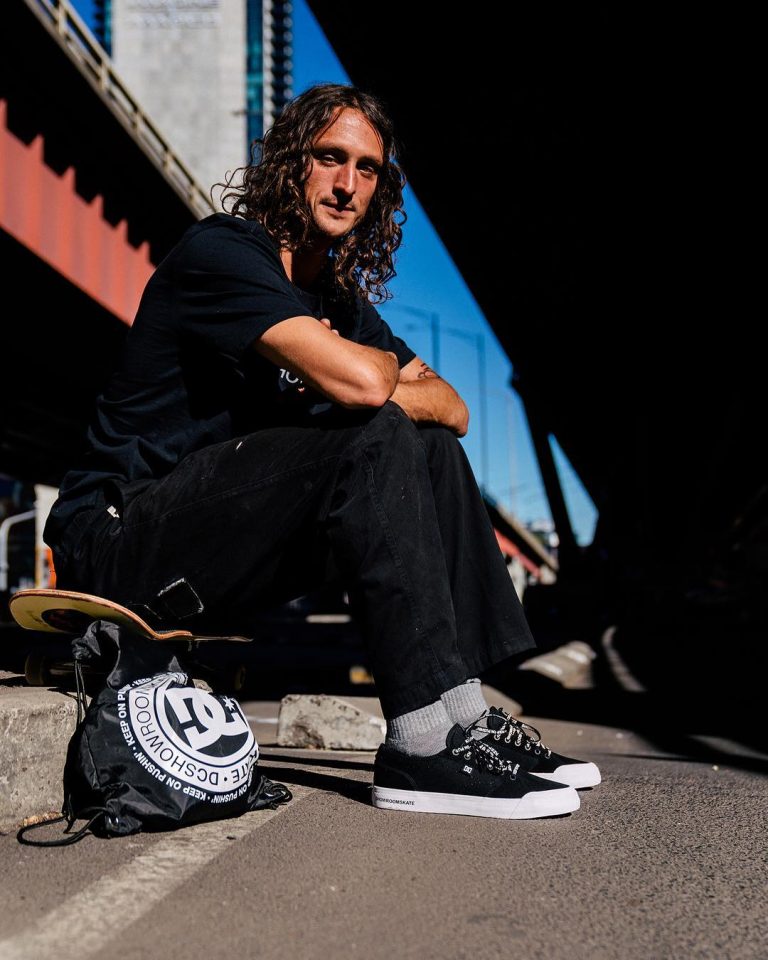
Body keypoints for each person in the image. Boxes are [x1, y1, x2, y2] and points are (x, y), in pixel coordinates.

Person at [43, 82, 600, 820]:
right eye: (330, 157)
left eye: (367, 169)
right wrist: (367, 381)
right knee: (376, 430)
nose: (346, 184)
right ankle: (420, 745)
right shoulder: (223, 253)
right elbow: (368, 387)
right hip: (118, 541)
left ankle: (462, 720)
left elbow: (454, 408)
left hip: (214, 545)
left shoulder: (337, 302)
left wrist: (361, 376)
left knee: (429, 445)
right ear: (289, 162)